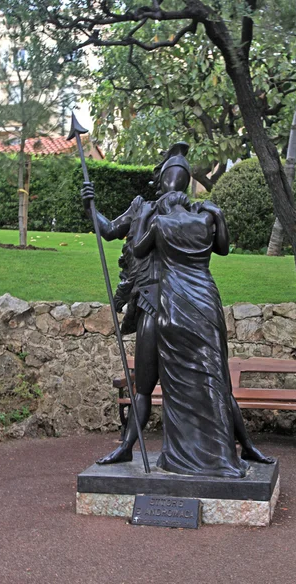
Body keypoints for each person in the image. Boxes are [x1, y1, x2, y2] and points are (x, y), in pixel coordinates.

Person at [81, 144, 273, 466]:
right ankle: (128, 446)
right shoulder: (144, 208)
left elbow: (214, 247)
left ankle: (246, 445)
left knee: (216, 381)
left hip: (180, 302)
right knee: (145, 383)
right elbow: (111, 230)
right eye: (173, 171)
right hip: (152, 303)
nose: (176, 177)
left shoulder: (195, 213)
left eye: (180, 172)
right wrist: (90, 208)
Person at [132, 191, 246, 476]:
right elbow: (223, 249)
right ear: (186, 203)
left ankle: (182, 456)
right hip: (205, 302)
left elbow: (138, 251)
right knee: (212, 376)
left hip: (175, 305)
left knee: (179, 382)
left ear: (165, 206)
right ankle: (222, 455)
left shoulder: (159, 224)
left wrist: (145, 216)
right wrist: (217, 214)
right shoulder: (205, 220)